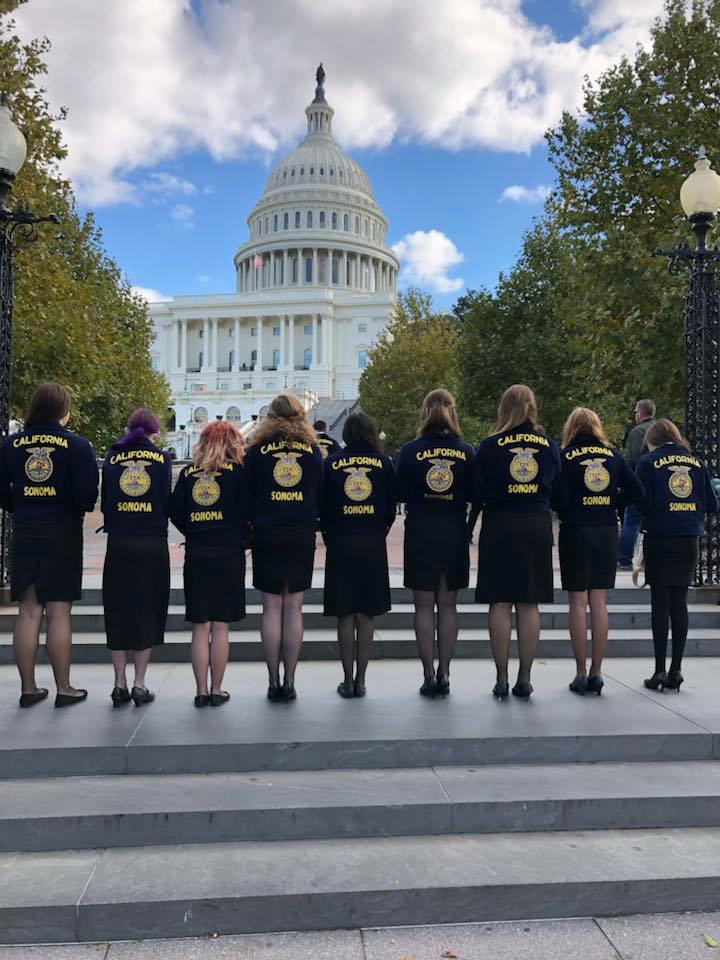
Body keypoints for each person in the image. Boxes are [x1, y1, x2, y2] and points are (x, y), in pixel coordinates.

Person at [0, 382, 98, 708]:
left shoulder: (11, 445)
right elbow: (87, 496)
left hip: (26, 528)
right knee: (58, 613)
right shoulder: (77, 445)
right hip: (62, 532)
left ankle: (28, 689)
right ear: (63, 412)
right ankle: (64, 688)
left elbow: (3, 492)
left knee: (28, 612)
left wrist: (23, 505)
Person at [474, 384, 561, 700]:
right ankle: (525, 676)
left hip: (499, 524)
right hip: (535, 524)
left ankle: (501, 676)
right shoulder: (549, 445)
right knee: (529, 602)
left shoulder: (490, 445)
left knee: (499, 602)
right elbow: (558, 488)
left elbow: (478, 487)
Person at [557, 407, 644, 695]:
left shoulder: (565, 456)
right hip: (606, 530)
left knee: (577, 602)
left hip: (576, 529)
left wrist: (570, 507)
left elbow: (556, 496)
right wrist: (613, 501)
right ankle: (597, 672)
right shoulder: (613, 456)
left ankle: (580, 671)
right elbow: (637, 491)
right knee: (599, 602)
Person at [396, 389, 474, 697]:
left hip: (421, 532)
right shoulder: (466, 451)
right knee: (449, 606)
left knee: (424, 607)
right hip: (453, 530)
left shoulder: (410, 450)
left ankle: (428, 673)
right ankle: (445, 671)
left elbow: (399, 492)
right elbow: (473, 491)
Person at [244, 395, 323, 701]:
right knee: (294, 607)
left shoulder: (257, 451)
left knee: (271, 607)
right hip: (301, 531)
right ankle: (290, 679)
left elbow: (248, 494)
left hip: (267, 530)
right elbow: (320, 492)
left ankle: (272, 677)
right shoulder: (312, 451)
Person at [170, 420, 249, 707]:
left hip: (198, 553)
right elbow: (247, 510)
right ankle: (217, 689)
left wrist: (193, 529)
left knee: (200, 627)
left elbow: (175, 510)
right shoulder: (237, 473)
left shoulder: (189, 473)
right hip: (228, 552)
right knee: (221, 626)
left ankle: (201, 690)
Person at [636, 419, 718, 691]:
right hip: (687, 538)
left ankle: (659, 669)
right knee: (679, 603)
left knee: (660, 603)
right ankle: (677, 669)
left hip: (659, 538)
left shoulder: (648, 462)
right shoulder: (696, 463)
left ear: (653, 439)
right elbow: (711, 504)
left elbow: (643, 501)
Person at [321, 411, 395, 698]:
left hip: (341, 540)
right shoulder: (384, 464)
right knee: (366, 613)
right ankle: (362, 680)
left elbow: (323, 506)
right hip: (372, 541)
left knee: (345, 612)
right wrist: (379, 529)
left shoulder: (332, 463)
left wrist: (330, 534)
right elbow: (391, 507)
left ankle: (347, 678)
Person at [101, 409, 172, 707]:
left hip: (119, 542)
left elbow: (105, 503)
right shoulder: (163, 459)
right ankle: (139, 684)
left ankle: (119, 683)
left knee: (117, 609)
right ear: (153, 432)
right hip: (151, 543)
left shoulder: (112, 457)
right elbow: (165, 501)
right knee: (146, 609)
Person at [617, 399, 656, 569]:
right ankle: (650, 559)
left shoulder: (637, 431)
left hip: (640, 482)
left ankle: (624, 559)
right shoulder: (659, 429)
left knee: (631, 520)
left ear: (640, 414)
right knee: (652, 520)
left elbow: (632, 459)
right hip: (659, 483)